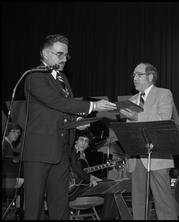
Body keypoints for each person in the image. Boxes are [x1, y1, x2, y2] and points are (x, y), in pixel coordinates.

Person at [22, 34, 116, 220]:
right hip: (39, 152)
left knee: (60, 206)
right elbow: (57, 103)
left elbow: (62, 111)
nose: (64, 59)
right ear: (45, 54)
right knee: (34, 208)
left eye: (66, 55)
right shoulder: (33, 76)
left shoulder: (62, 78)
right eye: (59, 54)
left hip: (62, 151)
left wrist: (77, 124)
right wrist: (93, 106)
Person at [120, 62, 178, 220]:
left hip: (158, 155)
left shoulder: (164, 94)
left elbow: (163, 119)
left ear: (150, 77)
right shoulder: (131, 100)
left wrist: (136, 117)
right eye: (133, 75)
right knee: (138, 204)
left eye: (138, 75)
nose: (135, 78)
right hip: (136, 157)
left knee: (163, 202)